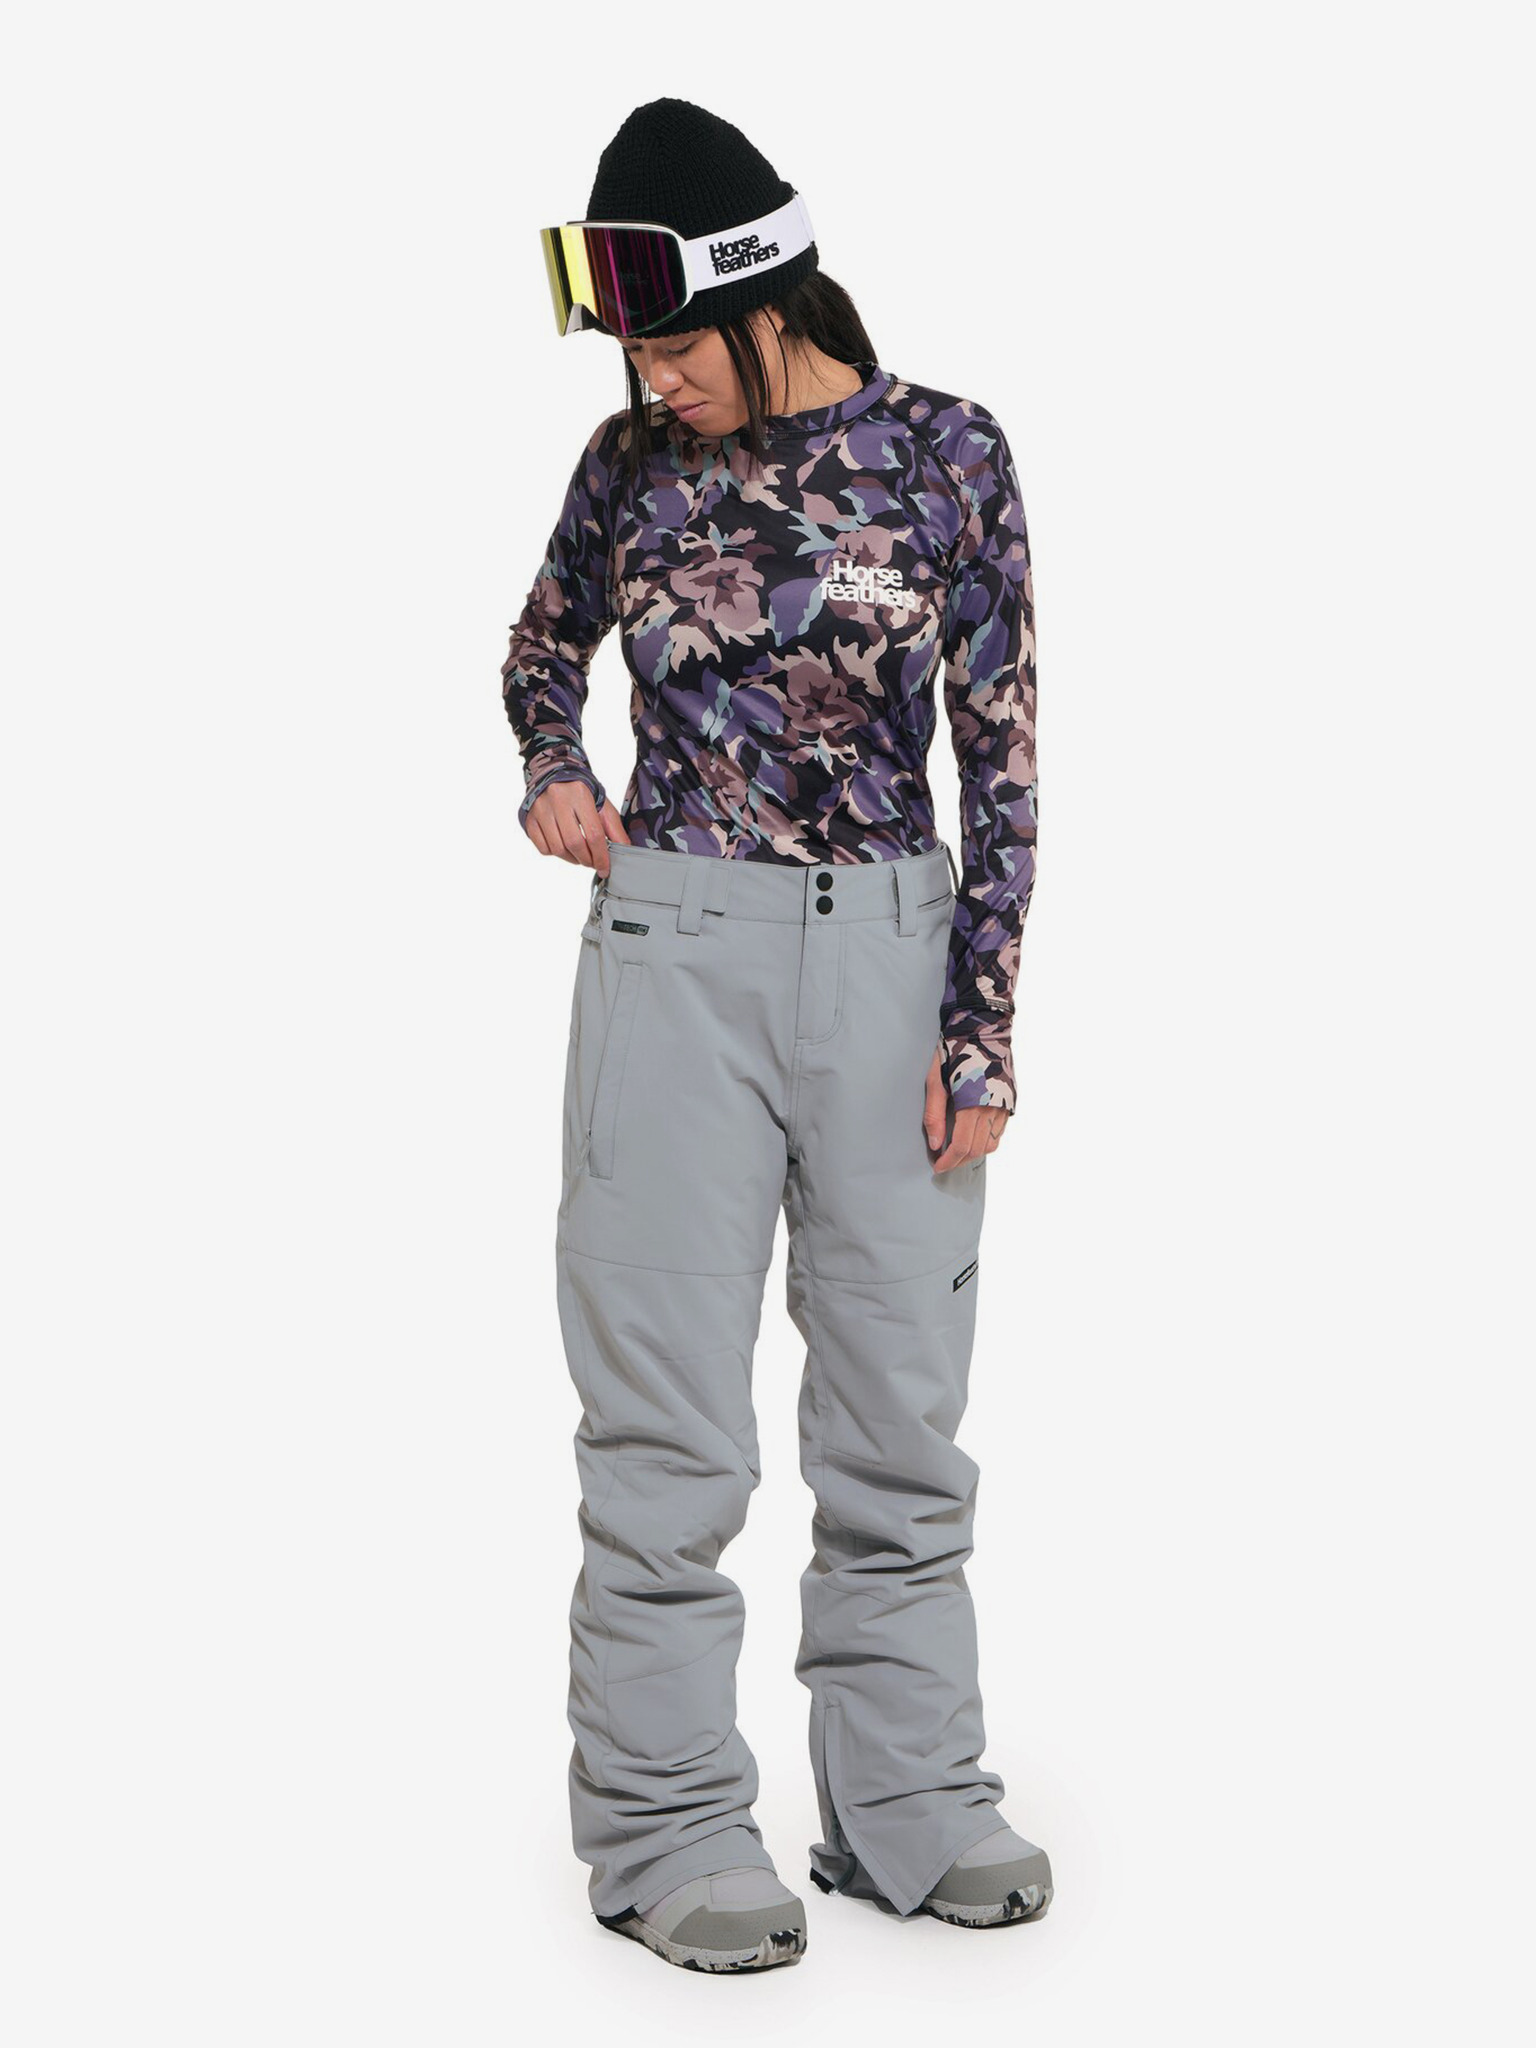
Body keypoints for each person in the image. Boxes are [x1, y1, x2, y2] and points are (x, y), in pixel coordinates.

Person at [501, 97, 1050, 1973]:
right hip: (677, 958)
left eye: (671, 341)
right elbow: (538, 647)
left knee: (901, 1414)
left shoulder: (949, 453)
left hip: (894, 955)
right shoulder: (625, 468)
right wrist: (554, 769)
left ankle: (910, 1804)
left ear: (764, 297)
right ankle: (664, 1829)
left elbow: (1004, 759)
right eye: (630, 350)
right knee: (669, 1429)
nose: (653, 379)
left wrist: (980, 1027)